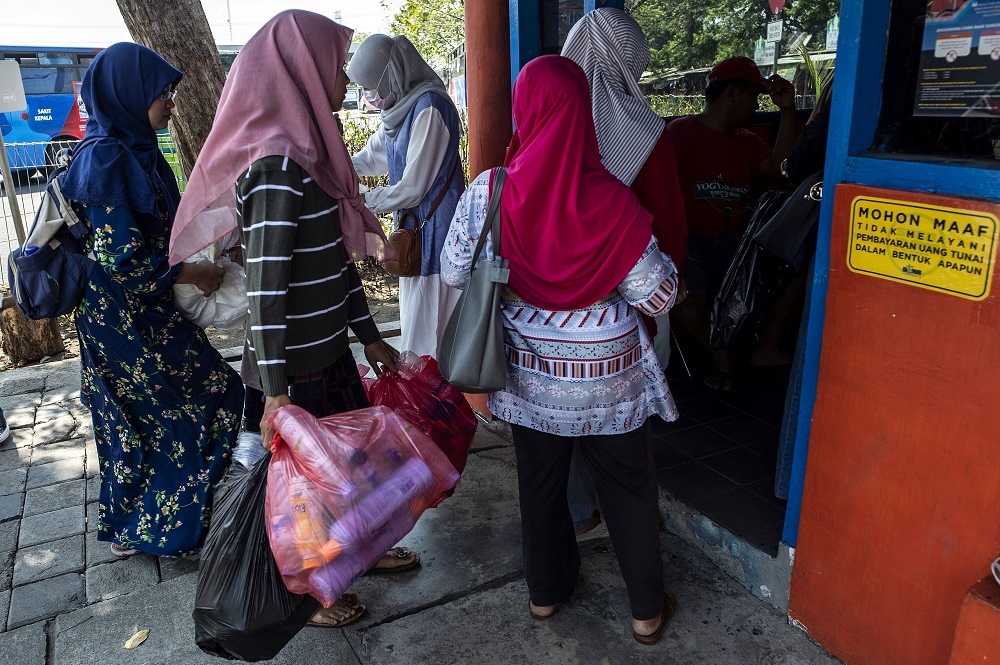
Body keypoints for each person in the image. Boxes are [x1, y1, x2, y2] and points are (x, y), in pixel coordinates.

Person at [170, 10, 414, 629]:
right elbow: (269, 291)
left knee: (349, 472)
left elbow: (334, 262)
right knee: (303, 492)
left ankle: (361, 553)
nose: (344, 76)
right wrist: (275, 393)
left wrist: (371, 337)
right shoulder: (278, 163)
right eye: (336, 62)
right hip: (294, 367)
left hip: (328, 348)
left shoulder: (311, 154)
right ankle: (306, 597)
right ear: (303, 67)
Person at [441, 55, 680, 645]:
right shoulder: (615, 202)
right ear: (583, 114)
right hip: (611, 381)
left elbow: (451, 271)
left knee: (540, 485)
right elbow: (659, 297)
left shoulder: (490, 191)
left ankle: (545, 595)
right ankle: (646, 610)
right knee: (627, 489)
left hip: (531, 378)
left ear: (526, 111)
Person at [60, 43, 244, 558]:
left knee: (156, 413)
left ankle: (148, 524)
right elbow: (123, 259)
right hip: (123, 317)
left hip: (145, 310)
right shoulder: (105, 158)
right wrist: (195, 270)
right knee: (204, 397)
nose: (170, 103)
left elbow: (166, 229)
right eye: (162, 93)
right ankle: (156, 526)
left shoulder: (137, 150)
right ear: (128, 95)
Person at [560, 7, 689, 536]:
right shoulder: (648, 135)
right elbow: (672, 232)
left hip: (547, 316)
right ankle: (624, 526)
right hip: (627, 315)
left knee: (562, 423)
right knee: (622, 430)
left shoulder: (544, 125)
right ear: (632, 58)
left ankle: (578, 513)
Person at [666, 56, 797, 391]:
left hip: (735, 242)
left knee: (789, 274)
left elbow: (781, 169)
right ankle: (719, 356)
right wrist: (676, 245)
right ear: (734, 93)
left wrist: (786, 110)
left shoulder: (745, 139)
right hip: (691, 242)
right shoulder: (681, 132)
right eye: (753, 97)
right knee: (681, 297)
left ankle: (762, 348)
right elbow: (661, 195)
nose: (755, 106)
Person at [348, 34, 465, 358]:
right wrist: (329, 165)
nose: (369, 95)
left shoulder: (430, 108)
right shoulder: (399, 112)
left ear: (391, 76)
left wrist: (361, 200)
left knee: (429, 345)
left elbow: (414, 186)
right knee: (421, 337)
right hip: (415, 237)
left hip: (438, 239)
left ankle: (433, 408)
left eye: (371, 85)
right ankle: (429, 406)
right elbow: (369, 160)